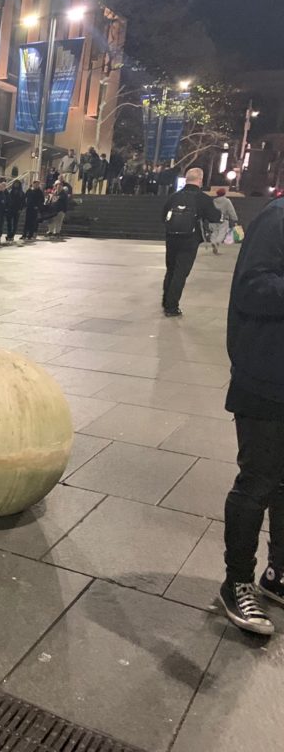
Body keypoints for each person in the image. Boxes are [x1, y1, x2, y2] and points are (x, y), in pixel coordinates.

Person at [218, 193, 284, 636]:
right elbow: (252, 288)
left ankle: (278, 573)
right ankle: (237, 581)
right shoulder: (277, 218)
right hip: (266, 375)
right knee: (258, 481)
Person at [161, 167, 221, 316]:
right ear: (200, 180)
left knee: (171, 269)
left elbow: (163, 216)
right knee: (181, 272)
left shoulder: (174, 197)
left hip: (171, 237)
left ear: (187, 179)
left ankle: (166, 301)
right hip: (190, 239)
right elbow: (214, 217)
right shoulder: (203, 198)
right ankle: (171, 306)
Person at [208, 188, 239, 255]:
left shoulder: (213, 201)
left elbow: (209, 210)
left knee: (214, 232)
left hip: (213, 219)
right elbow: (231, 210)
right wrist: (234, 218)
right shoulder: (227, 201)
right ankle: (217, 242)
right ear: (224, 193)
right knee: (222, 232)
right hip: (223, 219)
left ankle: (213, 242)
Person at [5, 179, 25, 245]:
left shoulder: (21, 193)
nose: (16, 185)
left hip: (17, 210)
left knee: (15, 223)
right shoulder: (10, 191)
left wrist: (20, 209)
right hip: (10, 209)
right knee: (9, 223)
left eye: (17, 184)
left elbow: (23, 202)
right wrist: (7, 207)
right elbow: (8, 200)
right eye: (15, 183)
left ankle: (12, 235)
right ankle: (9, 234)